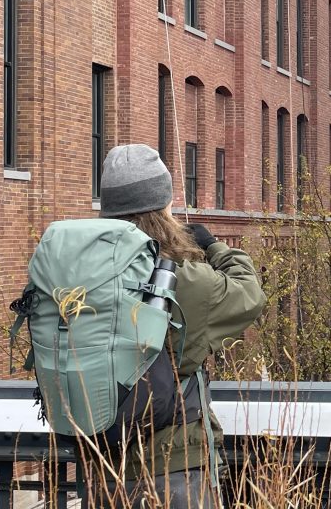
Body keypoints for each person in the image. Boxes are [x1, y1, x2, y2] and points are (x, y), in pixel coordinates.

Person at [99, 144, 266, 508]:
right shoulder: (183, 280)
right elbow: (250, 294)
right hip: (174, 472)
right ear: (164, 206)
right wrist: (213, 245)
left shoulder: (84, 276)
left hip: (102, 467)